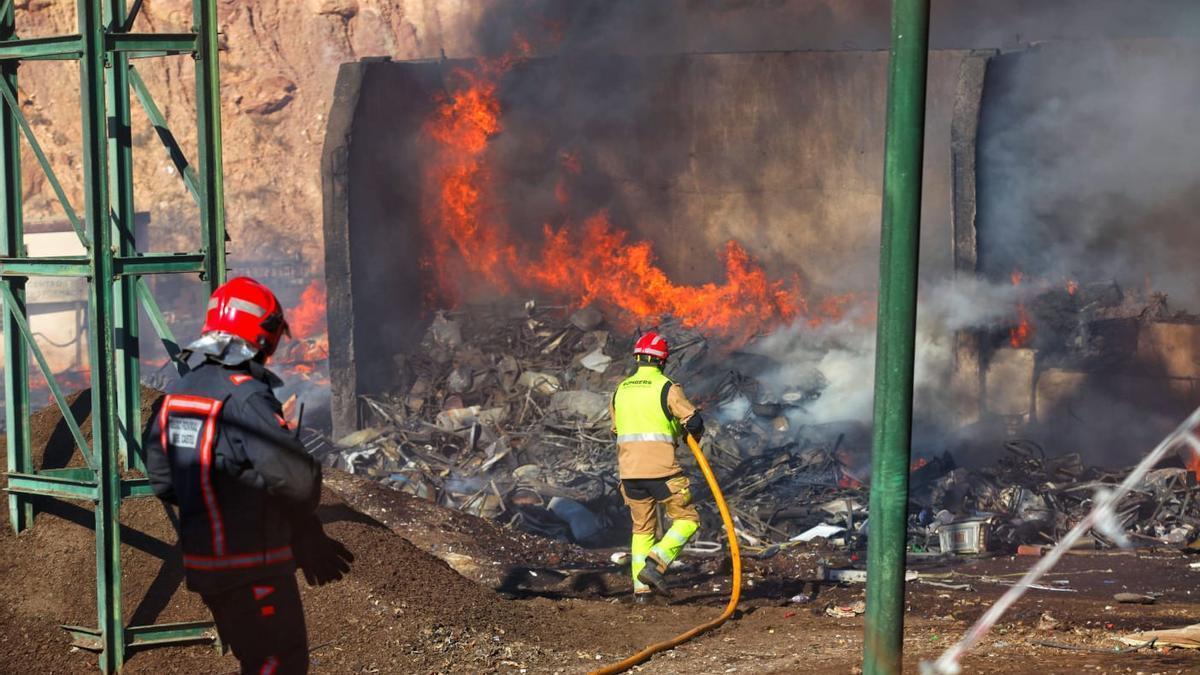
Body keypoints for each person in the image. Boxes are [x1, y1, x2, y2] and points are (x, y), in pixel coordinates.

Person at [144, 277, 352, 674]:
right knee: (277, 664)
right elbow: (298, 481)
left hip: (207, 569)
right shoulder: (245, 396)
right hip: (254, 567)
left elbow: (163, 480)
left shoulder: (178, 394)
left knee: (256, 661)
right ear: (263, 335)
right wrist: (300, 527)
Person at [610, 331, 705, 601]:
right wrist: (689, 437)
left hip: (629, 475)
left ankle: (641, 592)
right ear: (663, 361)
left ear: (638, 358)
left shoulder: (621, 390)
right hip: (662, 472)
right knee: (687, 520)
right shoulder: (666, 387)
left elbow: (618, 429)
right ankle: (656, 564)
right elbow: (694, 422)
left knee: (642, 529)